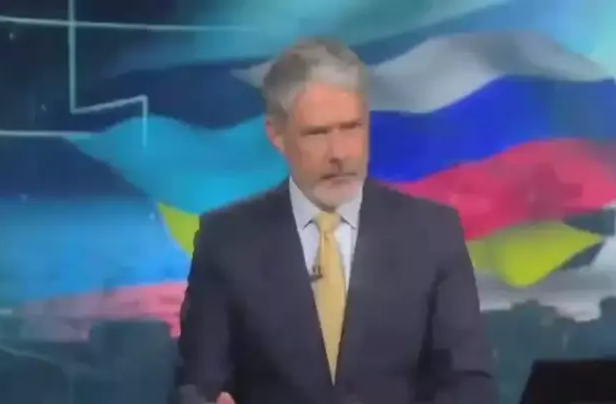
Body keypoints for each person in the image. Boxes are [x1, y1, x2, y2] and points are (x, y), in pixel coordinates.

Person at [177, 37, 496, 404]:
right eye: (318, 133)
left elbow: (469, 383)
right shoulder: (226, 242)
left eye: (351, 127)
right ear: (277, 134)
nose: (339, 153)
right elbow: (196, 384)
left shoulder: (433, 233)